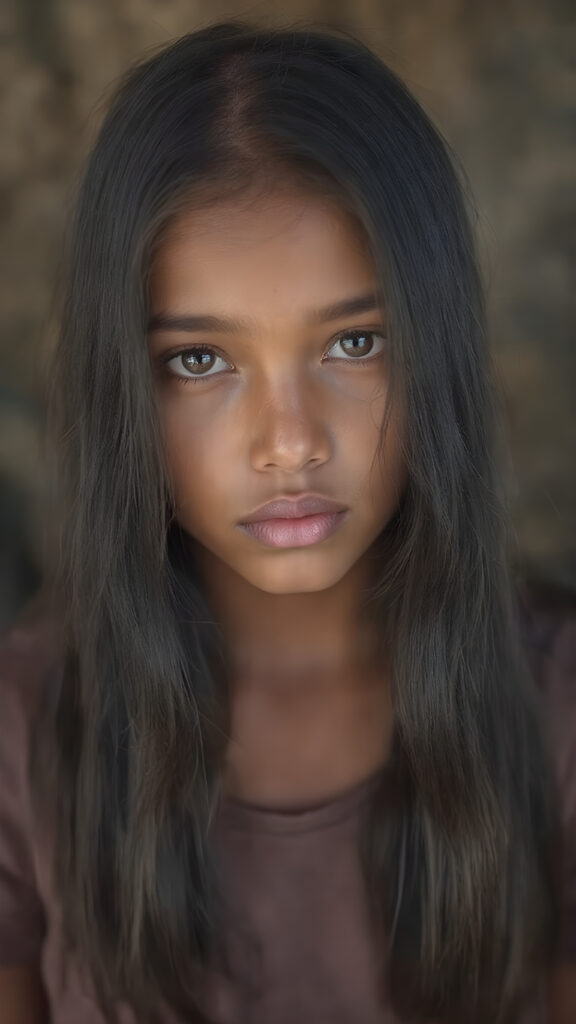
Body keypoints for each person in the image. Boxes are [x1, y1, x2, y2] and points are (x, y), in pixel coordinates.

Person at [0, 19, 574, 1024]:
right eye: (201, 361)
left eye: (355, 343)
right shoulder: (20, 728)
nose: (291, 441)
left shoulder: (557, 709)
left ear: (437, 343)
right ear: (120, 386)